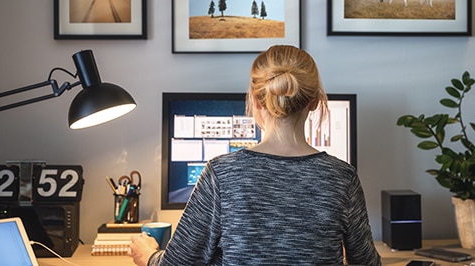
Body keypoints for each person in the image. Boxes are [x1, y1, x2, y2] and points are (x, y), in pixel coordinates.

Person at [129, 45, 381, 265]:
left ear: (257, 101)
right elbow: (367, 262)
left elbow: (179, 264)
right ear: (315, 101)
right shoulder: (342, 176)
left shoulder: (221, 173)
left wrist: (149, 255)